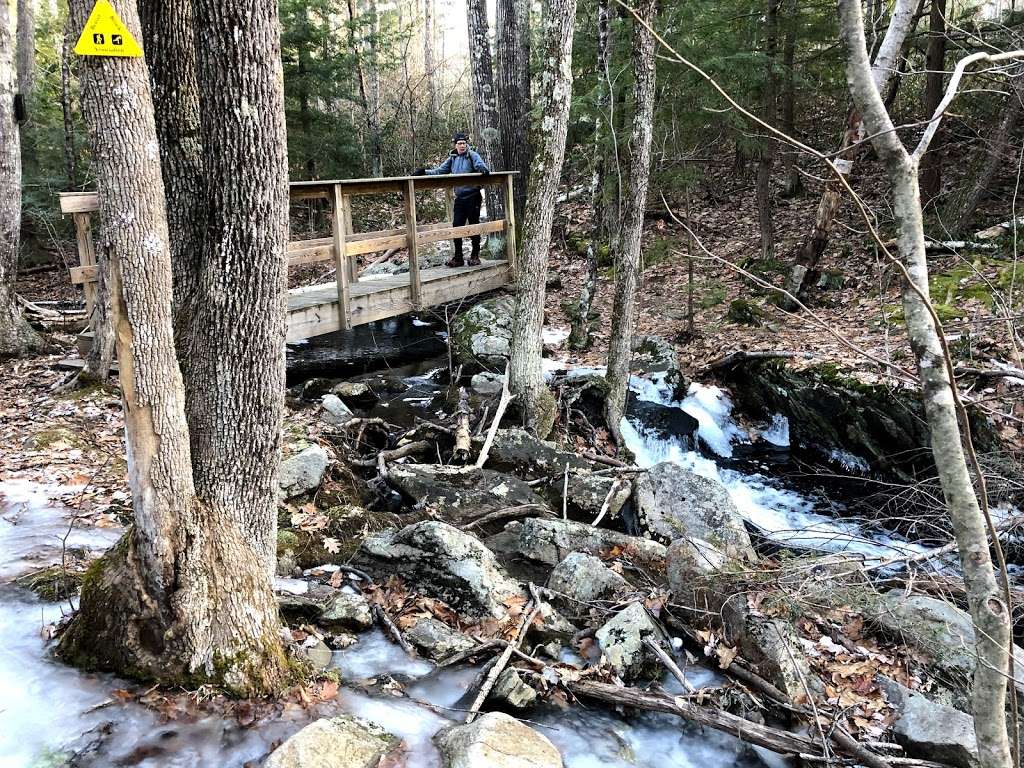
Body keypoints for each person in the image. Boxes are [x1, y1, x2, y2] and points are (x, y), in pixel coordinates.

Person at [414, 132, 490, 267]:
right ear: (455, 145)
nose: (462, 146)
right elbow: (439, 171)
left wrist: (482, 169)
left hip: (473, 196)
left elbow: (481, 166)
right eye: (459, 143)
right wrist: (423, 171)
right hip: (460, 198)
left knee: (474, 225)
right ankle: (458, 257)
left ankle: (475, 255)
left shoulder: (472, 155)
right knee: (457, 226)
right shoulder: (453, 158)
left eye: (464, 143)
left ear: (466, 144)